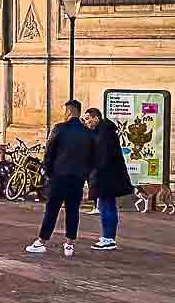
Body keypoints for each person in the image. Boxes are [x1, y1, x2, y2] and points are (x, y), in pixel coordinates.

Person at [27, 98, 97, 256]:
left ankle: (42, 241)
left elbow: (49, 152)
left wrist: (48, 171)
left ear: (69, 111)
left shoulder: (60, 128)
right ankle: (69, 244)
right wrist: (86, 176)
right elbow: (92, 158)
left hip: (59, 176)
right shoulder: (88, 133)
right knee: (73, 210)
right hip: (77, 178)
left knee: (52, 209)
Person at [83, 105, 133, 250]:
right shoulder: (103, 131)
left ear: (96, 118)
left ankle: (108, 238)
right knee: (106, 206)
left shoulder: (104, 133)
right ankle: (108, 237)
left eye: (88, 119)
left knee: (106, 207)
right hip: (106, 177)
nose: (87, 122)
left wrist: (95, 173)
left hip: (106, 178)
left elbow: (102, 157)